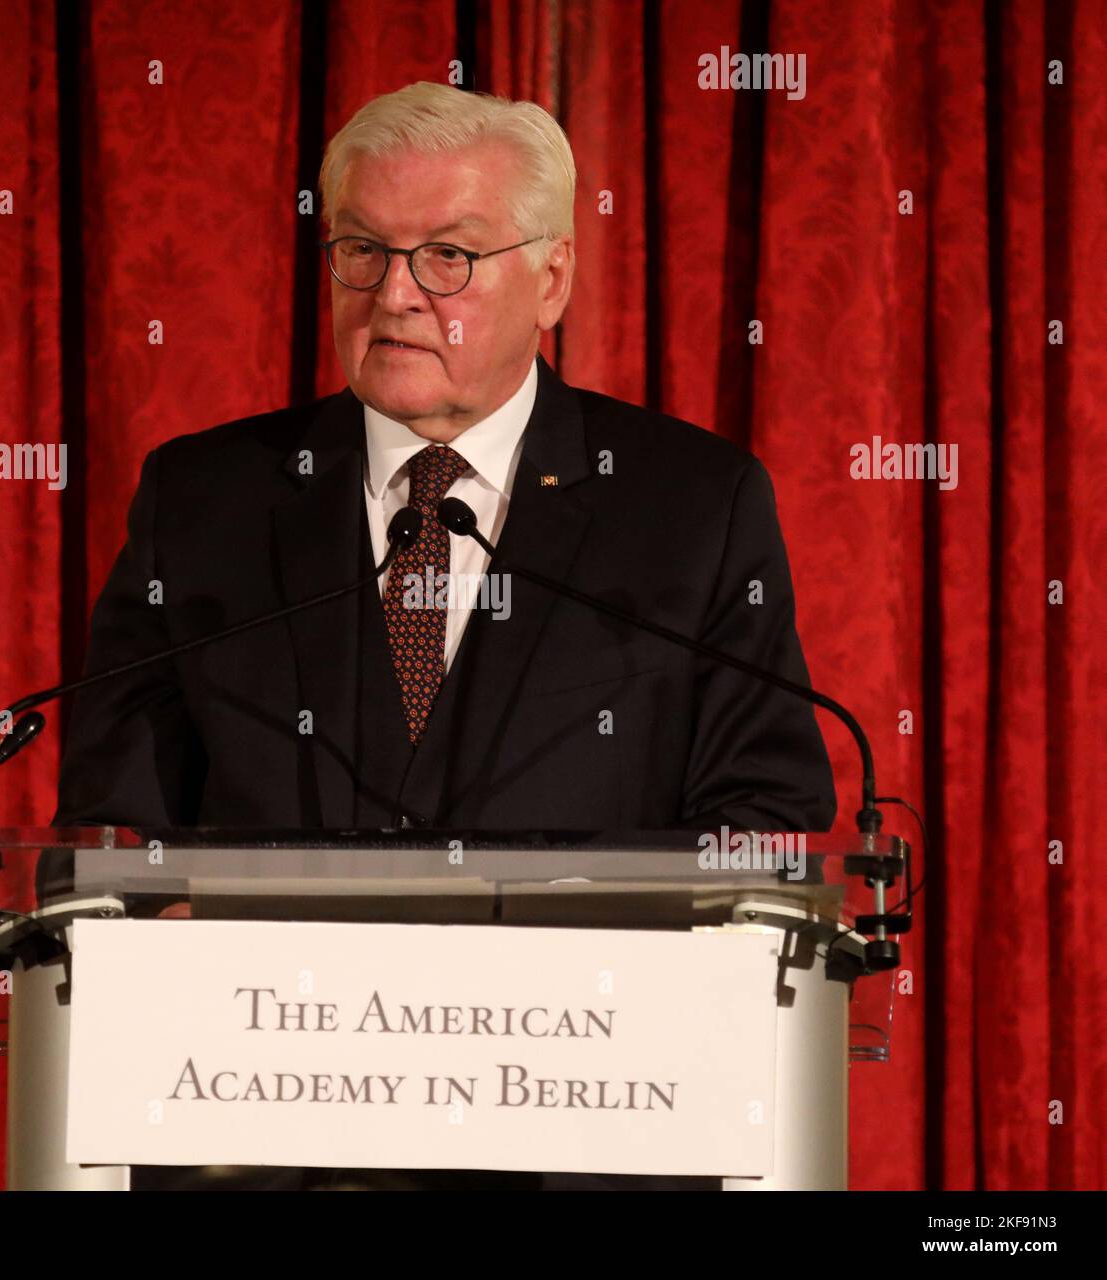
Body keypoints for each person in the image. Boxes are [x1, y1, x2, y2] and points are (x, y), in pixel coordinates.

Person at [50, 81, 836, 1191]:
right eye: (362, 250)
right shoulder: (206, 497)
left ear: (550, 276)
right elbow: (118, 806)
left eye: (449, 256)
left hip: (585, 1130)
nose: (398, 294)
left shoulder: (689, 504)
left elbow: (766, 812)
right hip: (260, 1130)